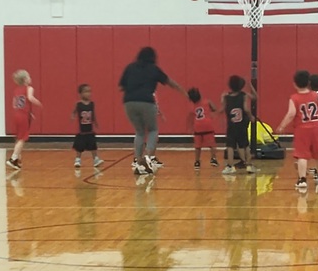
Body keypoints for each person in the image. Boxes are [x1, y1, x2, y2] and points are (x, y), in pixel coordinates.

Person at [119, 47, 186, 175]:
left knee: (139, 132)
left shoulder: (130, 67)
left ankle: (138, 162)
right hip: (146, 101)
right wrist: (183, 91)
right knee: (153, 129)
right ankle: (148, 157)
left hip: (128, 102)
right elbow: (170, 82)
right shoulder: (153, 68)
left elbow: (122, 85)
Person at [277, 70, 318, 190]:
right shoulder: (315, 96)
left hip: (302, 129)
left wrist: (282, 126)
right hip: (316, 128)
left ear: (294, 84)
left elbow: (291, 114)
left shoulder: (294, 98)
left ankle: (302, 179)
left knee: (302, 155)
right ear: (309, 83)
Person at [6, 69, 42, 170]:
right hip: (23, 116)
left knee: (19, 137)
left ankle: (17, 159)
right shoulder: (29, 88)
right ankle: (13, 158)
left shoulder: (16, 90)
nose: (30, 78)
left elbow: (14, 104)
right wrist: (38, 103)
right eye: (29, 76)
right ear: (25, 79)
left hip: (16, 114)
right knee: (23, 138)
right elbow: (30, 98)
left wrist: (28, 112)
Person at [221, 75, 256, 175]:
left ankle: (230, 166)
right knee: (245, 145)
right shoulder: (243, 95)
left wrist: (221, 99)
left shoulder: (226, 97)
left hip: (231, 126)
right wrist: (251, 116)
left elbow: (222, 108)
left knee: (230, 146)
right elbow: (247, 107)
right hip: (242, 125)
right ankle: (249, 165)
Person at [72, 84, 104, 168]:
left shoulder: (92, 104)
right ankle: (78, 160)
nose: (88, 93)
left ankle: (95, 159)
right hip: (82, 130)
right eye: (86, 92)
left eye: (89, 91)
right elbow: (74, 112)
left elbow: (93, 114)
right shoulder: (78, 104)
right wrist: (72, 116)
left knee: (93, 145)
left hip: (90, 129)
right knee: (79, 146)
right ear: (80, 94)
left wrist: (95, 122)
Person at [187, 87, 219, 169]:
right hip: (208, 125)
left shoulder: (192, 106)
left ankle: (197, 161)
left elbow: (191, 117)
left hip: (198, 126)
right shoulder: (207, 102)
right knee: (212, 144)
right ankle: (213, 159)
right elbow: (215, 108)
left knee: (197, 146)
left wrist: (190, 128)